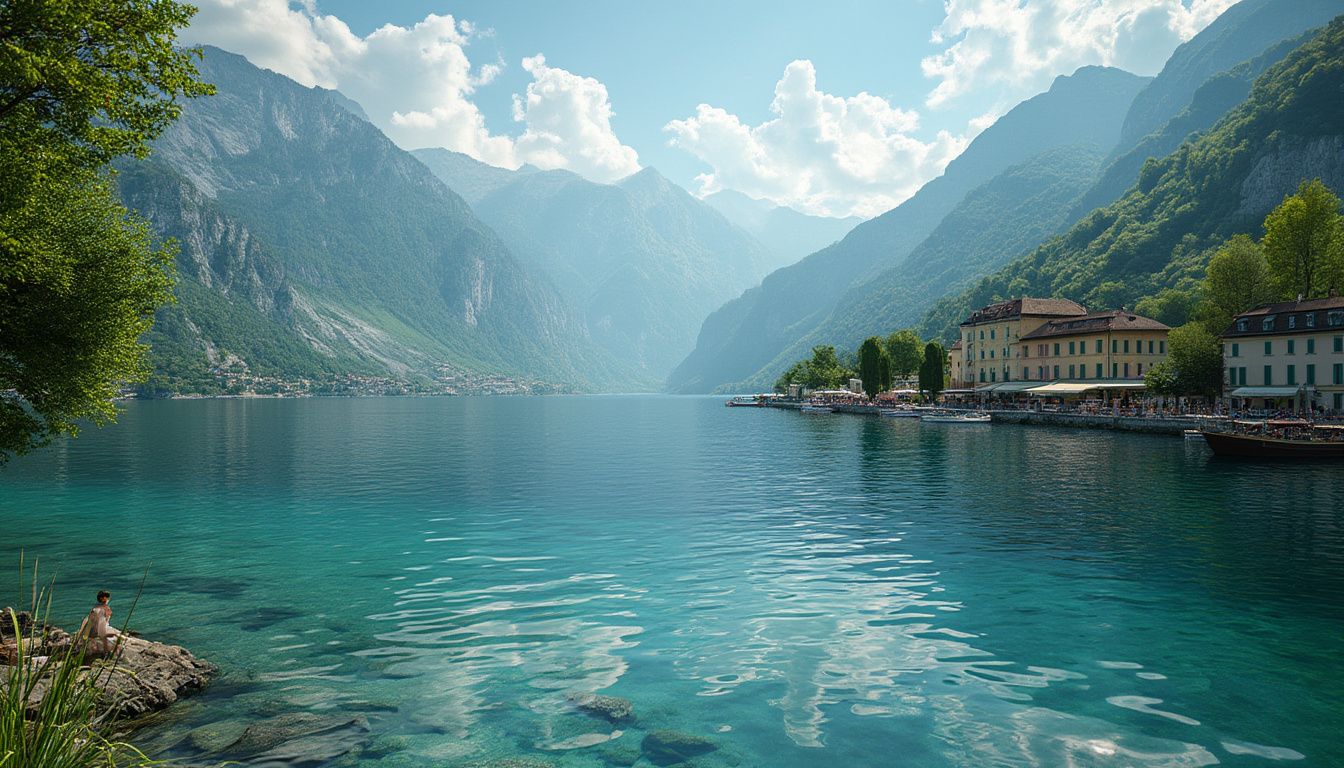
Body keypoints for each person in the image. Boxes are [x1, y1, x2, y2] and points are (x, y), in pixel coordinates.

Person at [78, 590, 121, 655]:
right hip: (96, 632)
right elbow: (101, 630)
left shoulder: (95, 608)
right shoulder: (104, 609)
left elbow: (87, 621)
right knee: (118, 635)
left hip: (90, 632)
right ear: (103, 598)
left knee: (117, 634)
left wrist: (81, 633)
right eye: (107, 597)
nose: (108, 599)